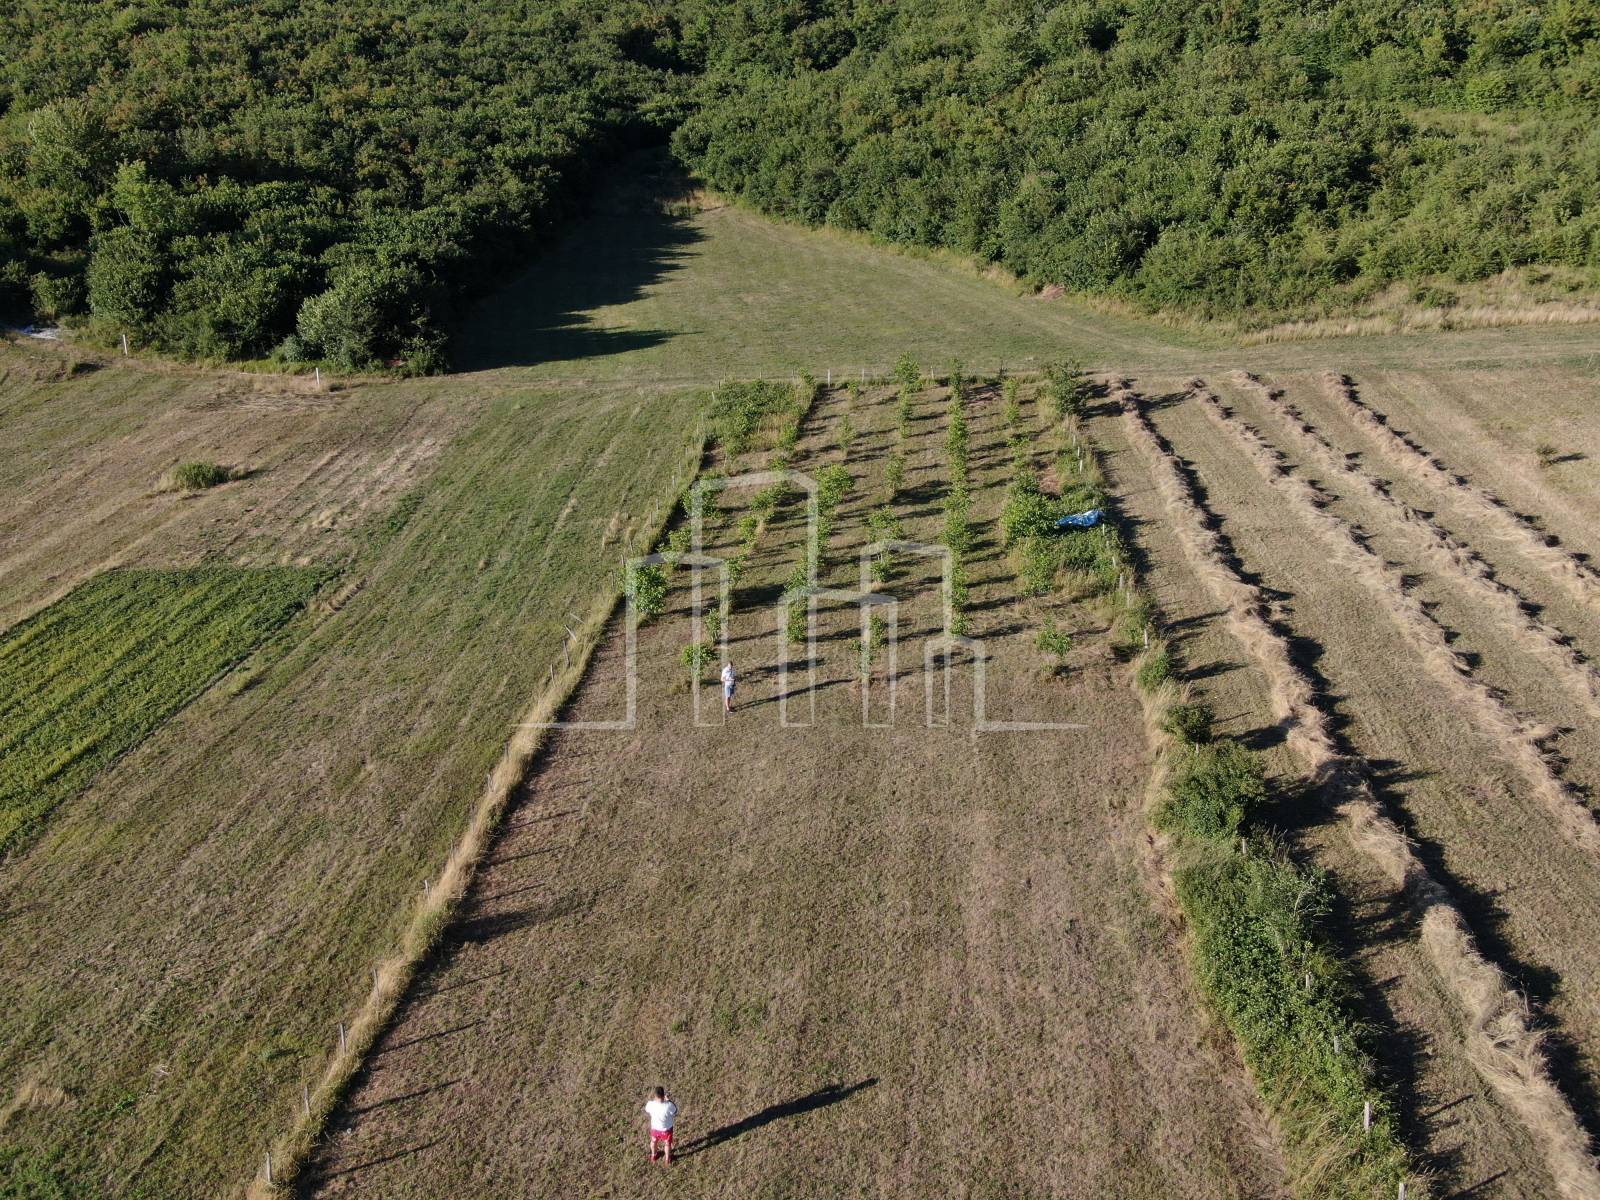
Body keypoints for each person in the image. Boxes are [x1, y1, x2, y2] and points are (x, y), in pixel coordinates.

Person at [645, 1086, 678, 1164]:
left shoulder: (650, 1104)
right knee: (667, 1144)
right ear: (663, 1095)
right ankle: (667, 1159)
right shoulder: (669, 1105)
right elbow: (675, 1111)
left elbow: (647, 1109)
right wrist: (668, 1100)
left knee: (653, 1142)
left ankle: (653, 1155)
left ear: (655, 1095)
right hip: (666, 1130)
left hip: (655, 1129)